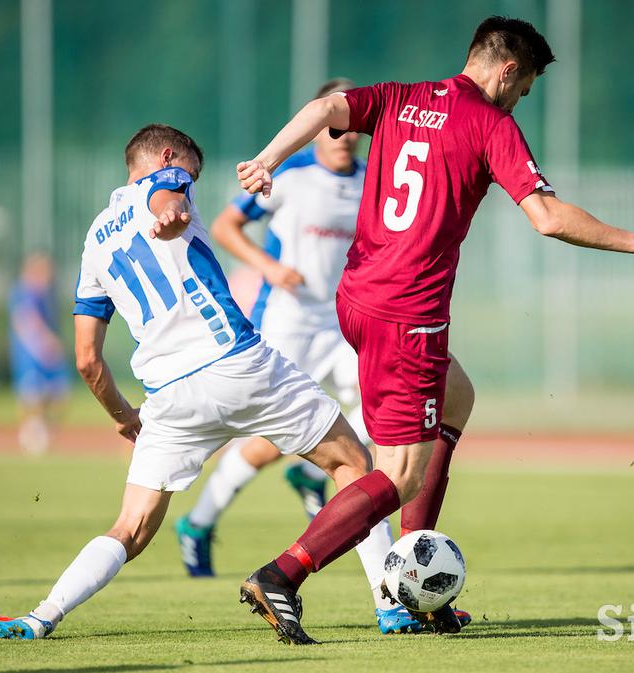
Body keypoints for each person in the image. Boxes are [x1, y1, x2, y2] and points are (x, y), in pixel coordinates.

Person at [236, 16, 634, 637]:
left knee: (458, 395)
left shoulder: (401, 98)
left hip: (359, 297)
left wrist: (267, 158)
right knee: (400, 475)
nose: (520, 101)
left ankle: (414, 588)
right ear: (508, 70)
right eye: (525, 88)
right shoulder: (490, 123)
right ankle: (284, 574)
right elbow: (547, 217)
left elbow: (326, 108)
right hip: (408, 317)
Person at [0, 124, 377, 643]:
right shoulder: (165, 183)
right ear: (167, 157)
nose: (191, 183)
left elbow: (86, 361)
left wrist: (126, 418)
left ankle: (41, 615)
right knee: (356, 466)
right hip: (235, 363)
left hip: (167, 395)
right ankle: (302, 579)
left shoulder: (94, 240)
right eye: (191, 172)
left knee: (131, 529)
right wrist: (171, 212)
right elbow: (167, 198)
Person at [175, 78, 470, 635]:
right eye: (334, 127)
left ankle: (390, 594)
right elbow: (224, 226)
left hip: (352, 324)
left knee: (371, 457)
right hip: (289, 325)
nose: (344, 138)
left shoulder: (372, 178)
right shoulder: (291, 176)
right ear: (317, 129)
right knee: (269, 449)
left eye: (351, 130)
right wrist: (270, 269)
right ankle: (200, 523)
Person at [8, 251, 69, 455]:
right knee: (32, 395)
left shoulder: (45, 294)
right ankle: (31, 433)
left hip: (45, 354)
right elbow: (25, 321)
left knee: (56, 394)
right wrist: (46, 342)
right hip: (31, 354)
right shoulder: (24, 293)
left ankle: (40, 430)